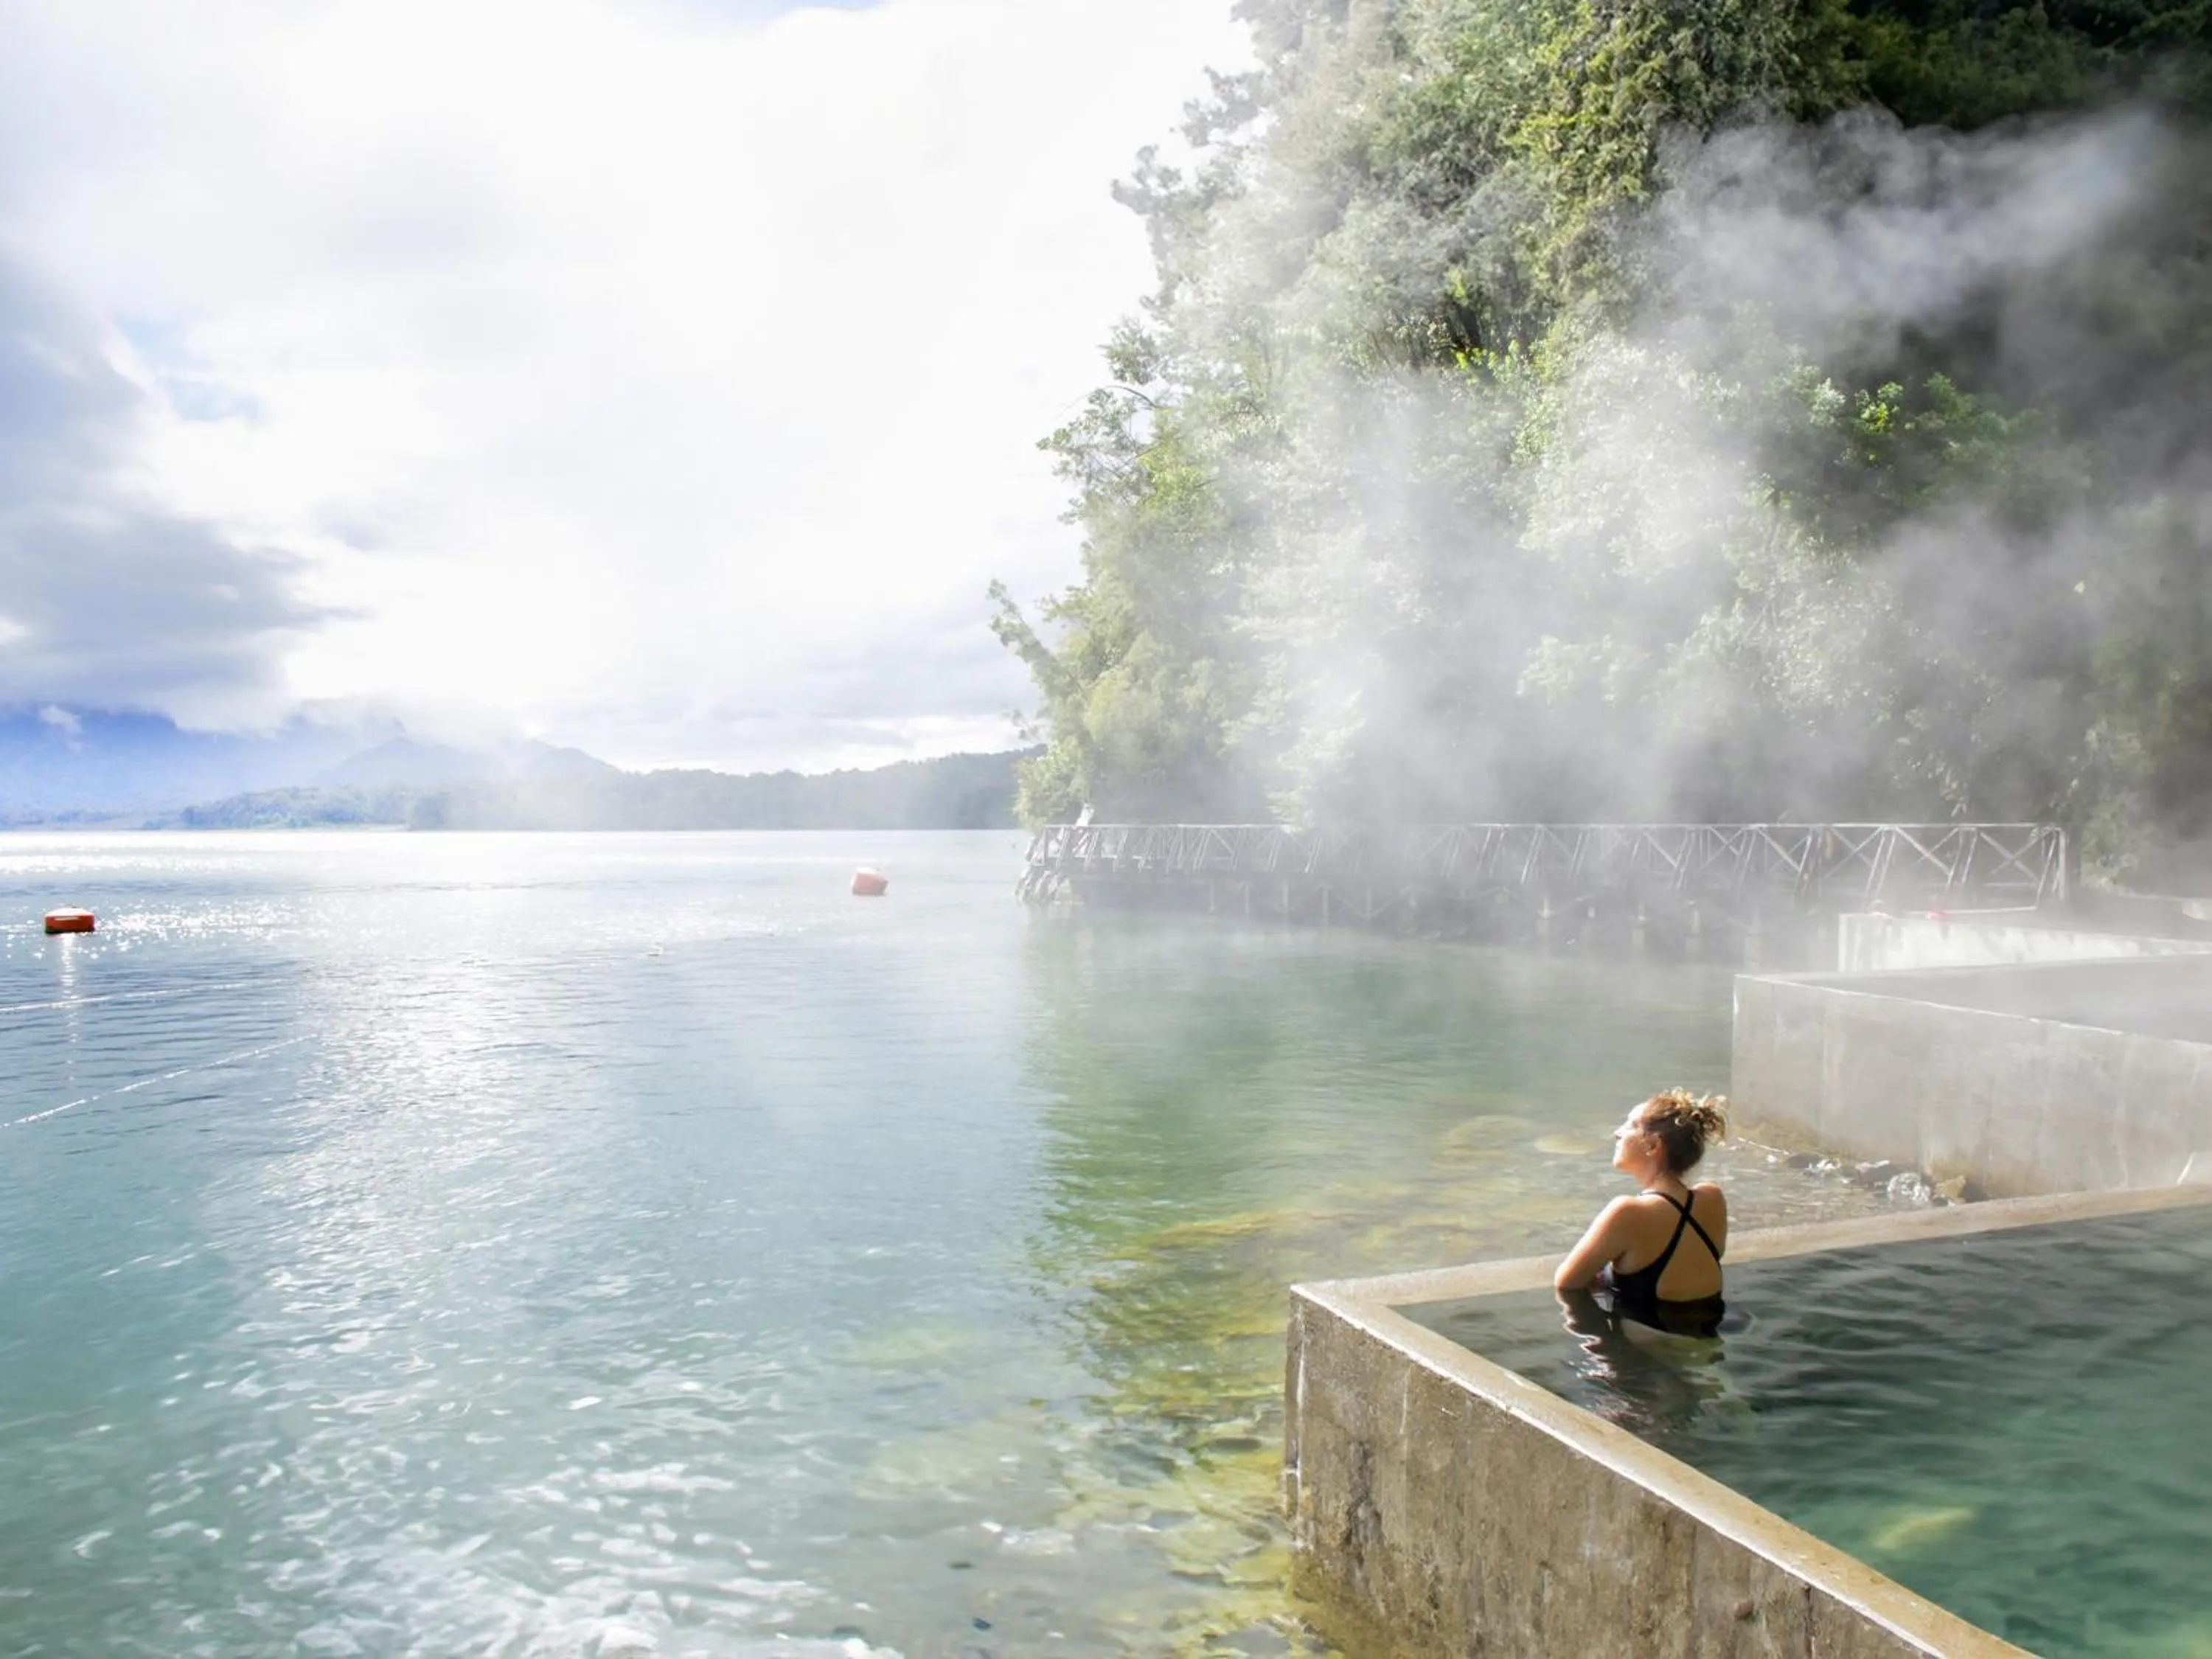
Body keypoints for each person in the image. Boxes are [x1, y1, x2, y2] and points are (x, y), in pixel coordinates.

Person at [1553, 1089, 1730, 1338]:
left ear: (1653, 1145)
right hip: (1708, 1338)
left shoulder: (1628, 1212)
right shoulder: (1712, 1198)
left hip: (1655, 1356)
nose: (1617, 1133)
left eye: (1630, 1125)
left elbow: (1566, 1284)